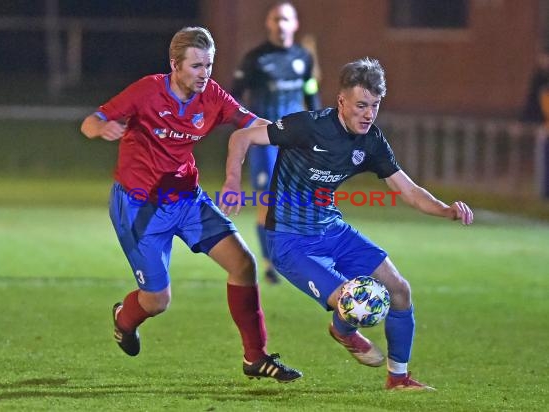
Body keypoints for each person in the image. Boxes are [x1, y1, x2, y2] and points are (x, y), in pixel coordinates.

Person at [221, 57, 474, 390]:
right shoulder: (307, 126)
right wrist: (232, 182)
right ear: (341, 102)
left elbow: (407, 189)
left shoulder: (371, 142)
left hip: (333, 230)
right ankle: (343, 330)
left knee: (399, 290)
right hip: (290, 241)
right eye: (360, 105)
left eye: (375, 106)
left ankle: (398, 378)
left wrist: (446, 210)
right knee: (351, 299)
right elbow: (243, 137)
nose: (368, 114)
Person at [80, 26, 302, 383]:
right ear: (175, 64)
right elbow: (92, 121)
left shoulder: (212, 95)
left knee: (243, 264)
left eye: (209, 65)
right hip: (139, 207)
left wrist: (293, 134)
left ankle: (255, 357)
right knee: (157, 301)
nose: (204, 74)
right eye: (197, 66)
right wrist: (101, 128)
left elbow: (250, 123)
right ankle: (124, 319)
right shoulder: (148, 90)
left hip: (187, 199)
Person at [231, 1, 321, 284]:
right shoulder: (256, 59)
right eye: (276, 19)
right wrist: (248, 128)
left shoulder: (304, 58)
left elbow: (311, 92)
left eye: (286, 19)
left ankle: (297, 256)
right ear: (268, 24)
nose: (281, 24)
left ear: (295, 24)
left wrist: (319, 127)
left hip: (297, 143)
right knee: (268, 202)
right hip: (266, 142)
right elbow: (233, 98)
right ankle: (271, 263)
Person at [521, 49, 549, 124]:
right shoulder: (537, 77)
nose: (544, 61)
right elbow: (532, 98)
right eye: (542, 58)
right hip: (537, 114)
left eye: (546, 58)